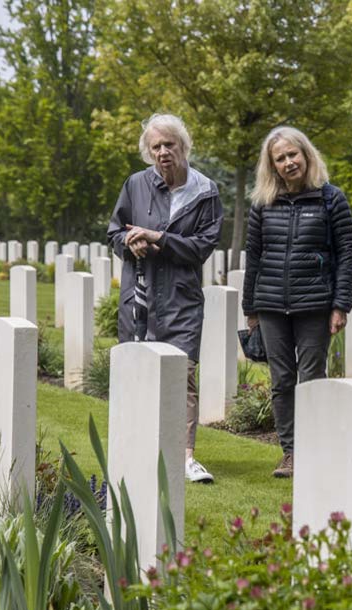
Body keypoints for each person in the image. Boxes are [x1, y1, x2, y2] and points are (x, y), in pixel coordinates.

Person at [107, 113, 222, 484]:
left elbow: (202, 246)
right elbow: (113, 232)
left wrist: (158, 238)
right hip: (139, 298)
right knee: (136, 374)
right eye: (155, 146)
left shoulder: (205, 191)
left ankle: (184, 455)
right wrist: (129, 242)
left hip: (181, 299)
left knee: (182, 375)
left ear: (183, 146)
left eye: (169, 145)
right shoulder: (136, 185)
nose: (162, 152)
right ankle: (137, 446)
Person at [242, 126, 352, 478]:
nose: (289, 162)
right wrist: (251, 310)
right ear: (272, 166)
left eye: (294, 154)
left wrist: (341, 305)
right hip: (272, 306)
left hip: (315, 305)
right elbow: (255, 259)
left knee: (311, 378)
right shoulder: (263, 204)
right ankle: (291, 451)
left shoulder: (330, 199)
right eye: (281, 158)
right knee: (281, 381)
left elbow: (347, 256)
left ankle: (314, 446)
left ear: (306, 155)